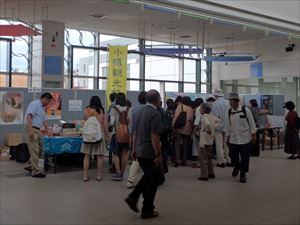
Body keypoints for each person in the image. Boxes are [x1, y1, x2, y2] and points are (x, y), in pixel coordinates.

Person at [125, 89, 163, 219]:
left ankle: (137, 200)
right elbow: (154, 136)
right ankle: (144, 206)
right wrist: (157, 154)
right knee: (153, 180)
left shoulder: (140, 111)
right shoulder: (155, 113)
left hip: (140, 151)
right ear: (157, 99)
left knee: (149, 178)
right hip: (149, 152)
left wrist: (134, 149)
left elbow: (135, 132)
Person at [225, 93, 257, 183]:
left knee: (245, 157)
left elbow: (252, 123)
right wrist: (227, 138)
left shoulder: (245, 110)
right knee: (232, 156)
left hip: (245, 139)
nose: (230, 103)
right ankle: (237, 166)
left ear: (237, 102)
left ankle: (243, 174)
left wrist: (254, 135)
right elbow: (228, 126)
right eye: (230, 101)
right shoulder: (229, 112)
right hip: (233, 139)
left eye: (232, 101)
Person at [24, 92, 53, 178]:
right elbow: (29, 116)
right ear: (45, 98)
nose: (49, 103)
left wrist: (48, 131)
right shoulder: (34, 104)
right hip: (32, 128)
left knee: (40, 149)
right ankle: (35, 171)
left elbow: (44, 120)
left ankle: (29, 165)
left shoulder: (43, 108)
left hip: (38, 129)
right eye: (49, 101)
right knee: (34, 150)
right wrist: (30, 130)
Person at [81, 96, 109, 182]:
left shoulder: (86, 110)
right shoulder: (101, 110)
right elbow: (105, 124)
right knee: (100, 156)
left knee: (87, 156)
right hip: (99, 134)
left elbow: (84, 121)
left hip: (88, 135)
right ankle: (99, 176)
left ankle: (85, 176)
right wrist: (107, 134)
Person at [126, 91, 147, 188]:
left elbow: (131, 127)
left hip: (137, 136)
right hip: (149, 137)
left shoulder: (132, 110)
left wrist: (130, 137)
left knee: (136, 158)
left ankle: (130, 181)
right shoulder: (151, 110)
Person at [109, 92, 130, 181]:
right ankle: (122, 173)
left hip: (116, 134)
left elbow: (111, 123)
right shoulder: (129, 109)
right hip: (126, 134)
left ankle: (118, 173)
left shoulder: (114, 109)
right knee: (125, 153)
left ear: (116, 99)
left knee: (115, 154)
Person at [198, 103, 220, 181]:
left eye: (200, 108)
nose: (200, 110)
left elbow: (207, 124)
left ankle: (204, 175)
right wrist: (214, 127)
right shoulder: (212, 116)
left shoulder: (204, 117)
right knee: (209, 157)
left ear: (203, 109)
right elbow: (218, 121)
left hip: (203, 141)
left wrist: (208, 129)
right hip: (210, 140)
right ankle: (211, 173)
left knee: (203, 159)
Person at [211, 89, 231, 168]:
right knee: (227, 144)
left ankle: (221, 162)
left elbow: (214, 116)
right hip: (228, 126)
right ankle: (229, 160)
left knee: (219, 144)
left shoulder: (214, 104)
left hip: (218, 126)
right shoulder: (228, 103)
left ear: (215, 95)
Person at [172, 96, 194, 167]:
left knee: (177, 145)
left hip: (179, 128)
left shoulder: (180, 106)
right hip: (187, 129)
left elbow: (176, 116)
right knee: (185, 145)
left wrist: (173, 125)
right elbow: (191, 120)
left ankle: (177, 161)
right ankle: (184, 161)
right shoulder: (191, 109)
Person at [191, 98, 204, 168]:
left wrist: (195, 129)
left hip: (199, 129)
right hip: (204, 129)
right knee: (202, 146)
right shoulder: (204, 108)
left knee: (199, 146)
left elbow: (197, 119)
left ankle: (200, 162)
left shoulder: (198, 109)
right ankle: (201, 161)